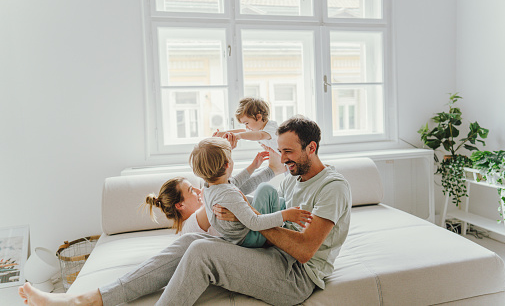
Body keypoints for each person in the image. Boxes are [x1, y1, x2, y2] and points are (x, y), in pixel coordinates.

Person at [19, 116, 352, 306]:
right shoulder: (294, 174)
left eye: (289, 152)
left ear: (312, 148)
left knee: (202, 252)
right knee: (186, 245)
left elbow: (306, 250)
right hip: (271, 252)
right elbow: (261, 155)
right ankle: (86, 300)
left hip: (294, 277)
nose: (283, 158)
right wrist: (237, 138)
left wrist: (246, 216)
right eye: (281, 151)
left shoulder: (332, 187)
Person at [189, 137, 312, 247]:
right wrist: (286, 215)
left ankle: (287, 210)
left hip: (237, 237)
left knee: (277, 201)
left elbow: (235, 181)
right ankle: (282, 225)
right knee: (265, 189)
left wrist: (253, 166)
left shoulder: (210, 187)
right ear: (227, 164)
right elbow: (254, 222)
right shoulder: (228, 195)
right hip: (249, 237)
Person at [144, 150, 286, 237]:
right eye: (191, 190)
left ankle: (275, 170)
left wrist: (266, 169)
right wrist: (220, 156)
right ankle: (274, 171)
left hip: (260, 220)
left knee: (274, 194)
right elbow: (226, 186)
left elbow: (231, 186)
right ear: (180, 205)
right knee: (268, 191)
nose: (199, 190)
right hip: (257, 231)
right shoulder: (190, 227)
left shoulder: (207, 205)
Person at [213, 97, 279, 154]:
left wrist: (239, 136)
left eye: (247, 123)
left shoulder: (271, 128)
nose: (246, 127)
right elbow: (244, 131)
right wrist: (225, 133)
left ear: (258, 117)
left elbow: (260, 136)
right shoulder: (259, 128)